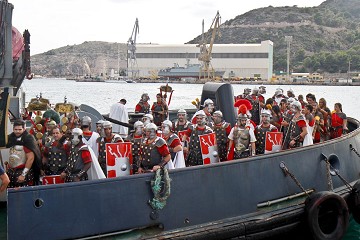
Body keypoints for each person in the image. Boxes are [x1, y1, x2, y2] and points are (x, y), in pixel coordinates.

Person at [6, 119, 41, 187]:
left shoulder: (28, 139)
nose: (17, 131)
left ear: (24, 129)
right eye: (15, 129)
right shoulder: (11, 137)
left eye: (19, 129)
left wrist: (23, 174)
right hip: (12, 171)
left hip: (23, 172)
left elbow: (30, 158)